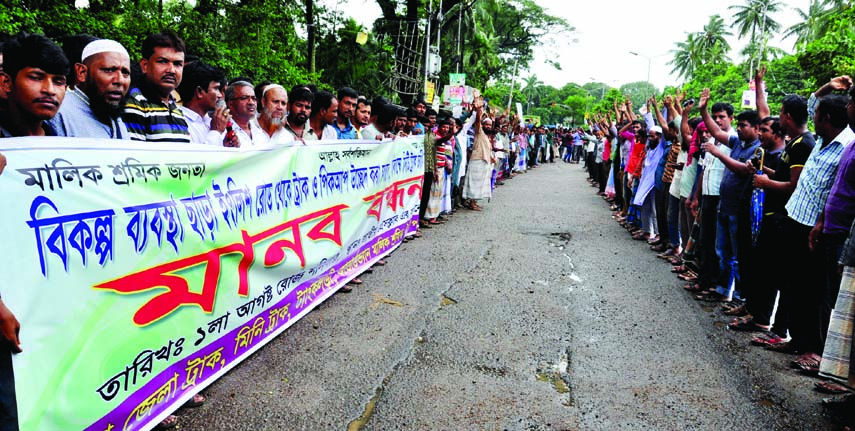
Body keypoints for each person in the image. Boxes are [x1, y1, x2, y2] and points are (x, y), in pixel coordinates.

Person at [122, 32, 190, 143]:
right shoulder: (135, 102)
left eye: (177, 64)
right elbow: (134, 158)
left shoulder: (175, 107)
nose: (171, 70)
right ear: (145, 65)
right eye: (163, 62)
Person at [0, 33, 69, 137]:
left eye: (58, 82)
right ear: (6, 82)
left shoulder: (66, 136)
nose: (50, 90)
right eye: (36, 78)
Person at [176, 60, 228, 145]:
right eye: (216, 89)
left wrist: (226, 145)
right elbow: (198, 156)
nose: (220, 95)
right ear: (199, 92)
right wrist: (216, 131)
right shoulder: (180, 122)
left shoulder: (210, 121)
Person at [462, 96, 494, 211]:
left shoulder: (487, 136)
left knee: (479, 182)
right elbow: (478, 121)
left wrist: (491, 158)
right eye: (486, 125)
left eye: (490, 125)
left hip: (484, 161)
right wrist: (479, 109)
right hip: (476, 160)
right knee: (474, 182)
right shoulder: (479, 132)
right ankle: (471, 203)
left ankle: (473, 202)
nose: (488, 126)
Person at [223, 80, 266, 147]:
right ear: (231, 104)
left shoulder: (260, 131)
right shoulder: (223, 131)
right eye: (244, 98)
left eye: (253, 98)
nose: (251, 102)